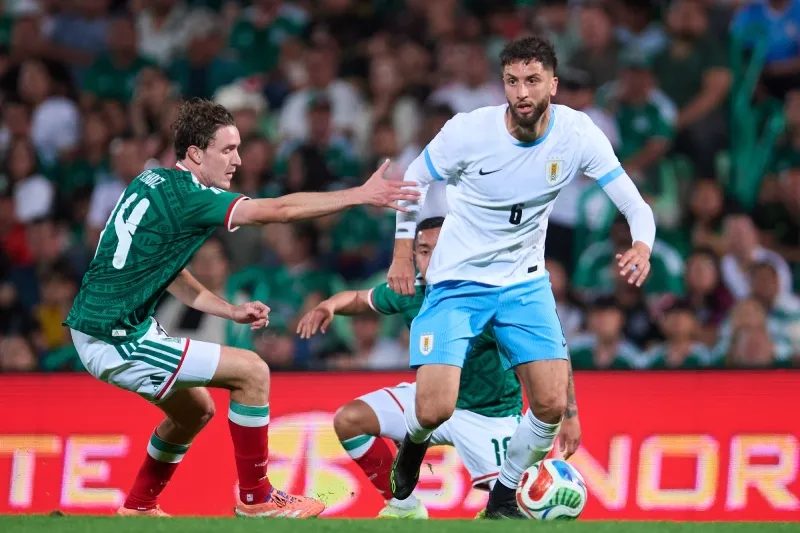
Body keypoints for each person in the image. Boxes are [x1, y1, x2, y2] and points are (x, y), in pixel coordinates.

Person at [63, 98, 419, 518]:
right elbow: (278, 210)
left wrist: (228, 310)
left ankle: (139, 507)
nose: (238, 160)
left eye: (238, 148)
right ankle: (257, 499)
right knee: (252, 372)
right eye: (227, 150)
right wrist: (360, 194)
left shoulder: (151, 180)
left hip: (103, 325)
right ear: (196, 154)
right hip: (114, 337)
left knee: (195, 411)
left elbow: (168, 270)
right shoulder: (193, 199)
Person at [386, 36, 656, 519]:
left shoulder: (578, 135)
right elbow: (414, 179)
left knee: (551, 404)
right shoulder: (469, 132)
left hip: (523, 283)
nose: (521, 92)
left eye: (532, 80)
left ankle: (504, 496)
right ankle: (414, 443)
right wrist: (403, 254)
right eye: (512, 81)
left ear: (552, 83)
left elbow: (634, 203)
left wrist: (642, 244)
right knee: (433, 410)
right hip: (456, 281)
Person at [297, 216, 582, 519]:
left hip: (489, 416)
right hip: (430, 401)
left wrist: (570, 414)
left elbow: (552, 350)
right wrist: (330, 305)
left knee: (514, 510)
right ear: (414, 256)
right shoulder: (411, 290)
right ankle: (403, 505)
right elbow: (358, 298)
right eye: (423, 250)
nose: (431, 258)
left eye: (440, 248)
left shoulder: (492, 291)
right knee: (349, 420)